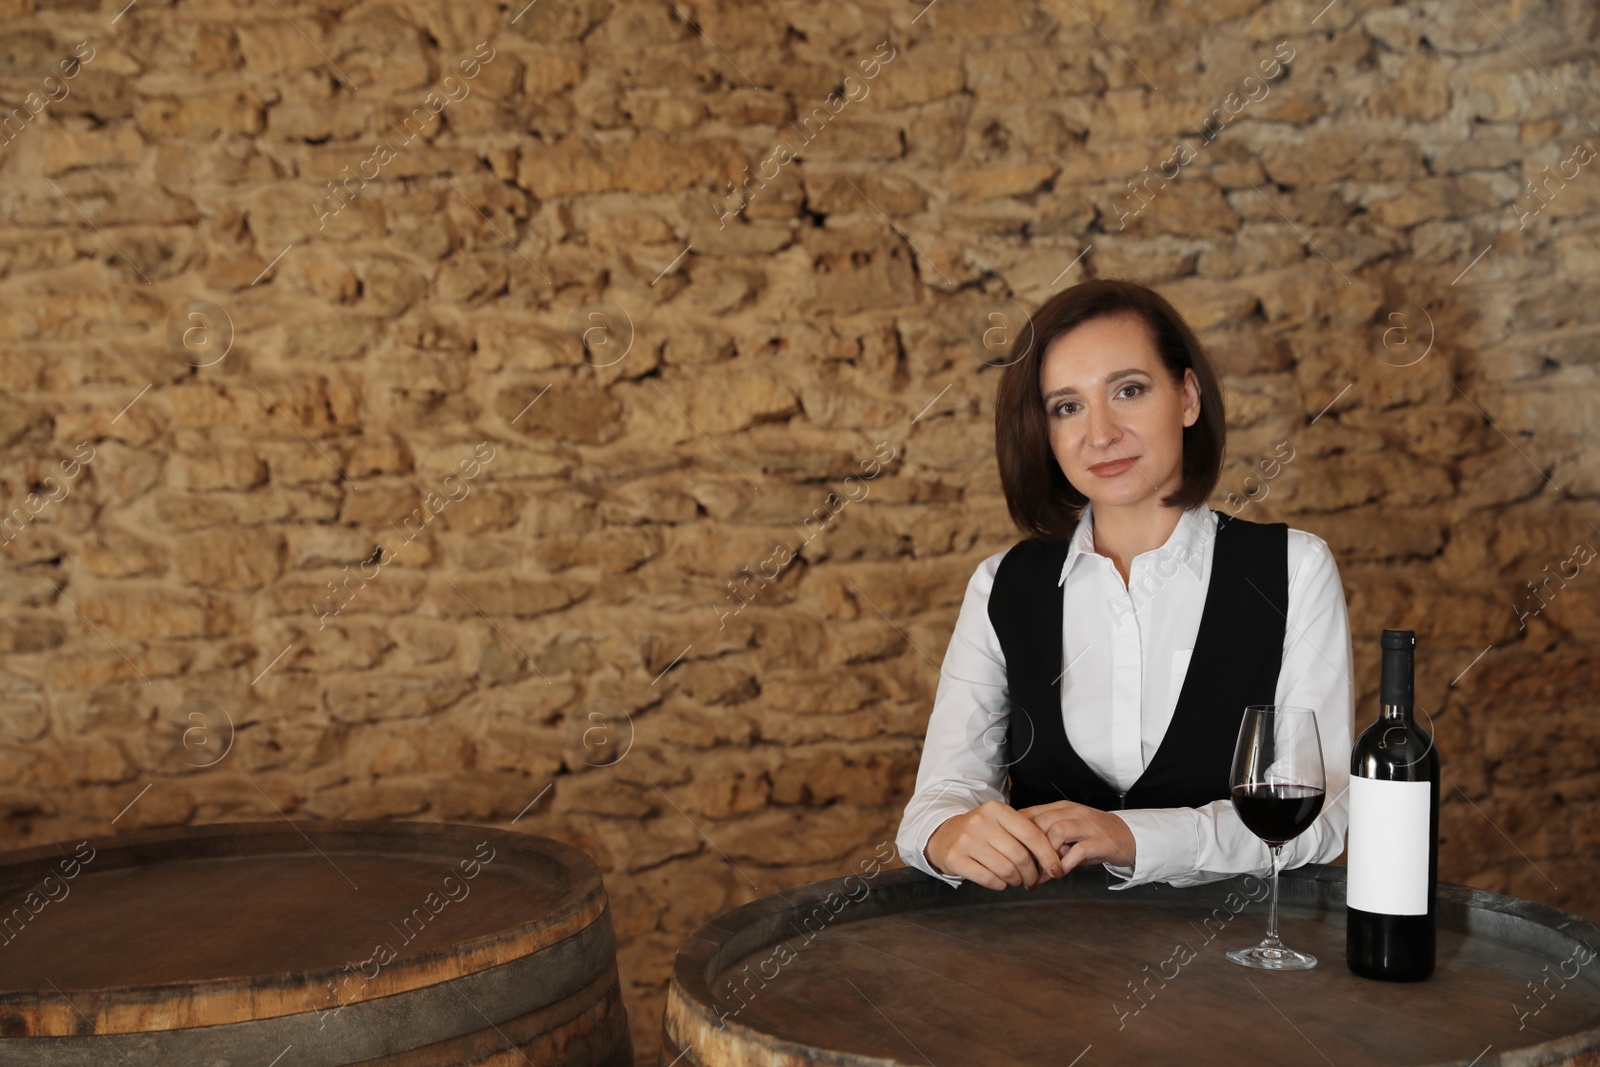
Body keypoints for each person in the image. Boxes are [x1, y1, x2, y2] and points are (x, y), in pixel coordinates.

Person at [895, 278, 1354, 892]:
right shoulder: (1001, 585)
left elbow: (1326, 812)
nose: (1100, 433)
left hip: (1235, 958)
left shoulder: (1293, 568)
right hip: (1045, 958)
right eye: (1067, 406)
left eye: (1128, 391)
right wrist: (944, 834)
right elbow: (939, 799)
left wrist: (1135, 837)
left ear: (1187, 397)